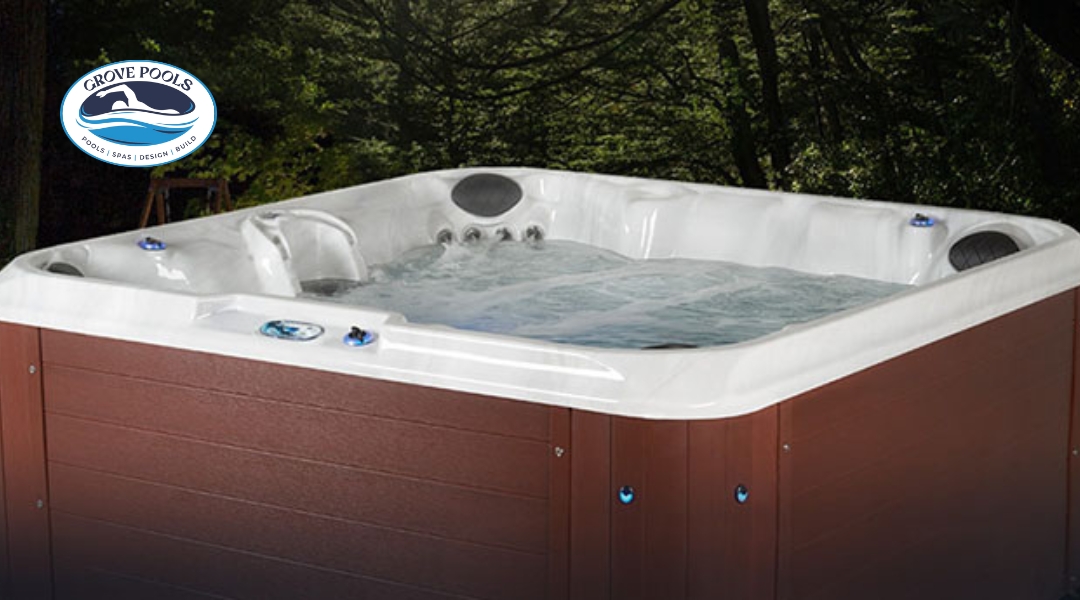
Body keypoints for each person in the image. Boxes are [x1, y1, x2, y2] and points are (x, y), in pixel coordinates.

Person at [95, 84, 178, 114]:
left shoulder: (133, 104)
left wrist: (106, 91)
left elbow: (124, 87)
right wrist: (106, 92)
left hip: (166, 114)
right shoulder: (132, 108)